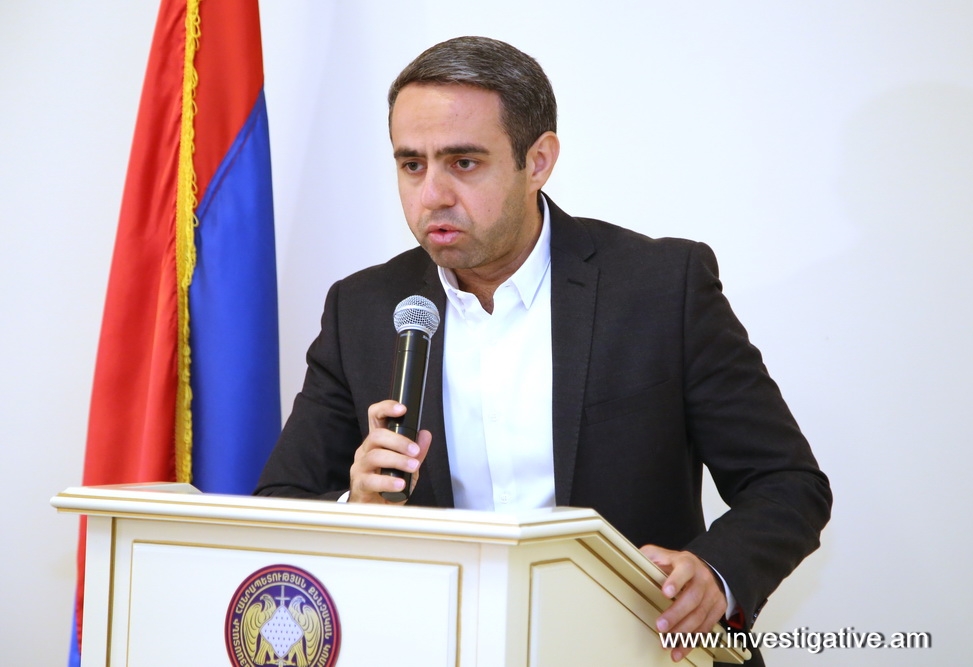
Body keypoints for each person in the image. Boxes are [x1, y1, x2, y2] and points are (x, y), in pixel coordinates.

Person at [256, 36, 832, 665]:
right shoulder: (363, 308)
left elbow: (786, 483)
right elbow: (280, 507)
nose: (432, 195)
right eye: (412, 165)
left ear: (538, 161)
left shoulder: (662, 287)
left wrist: (715, 576)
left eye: (463, 162)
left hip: (635, 649)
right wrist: (356, 507)